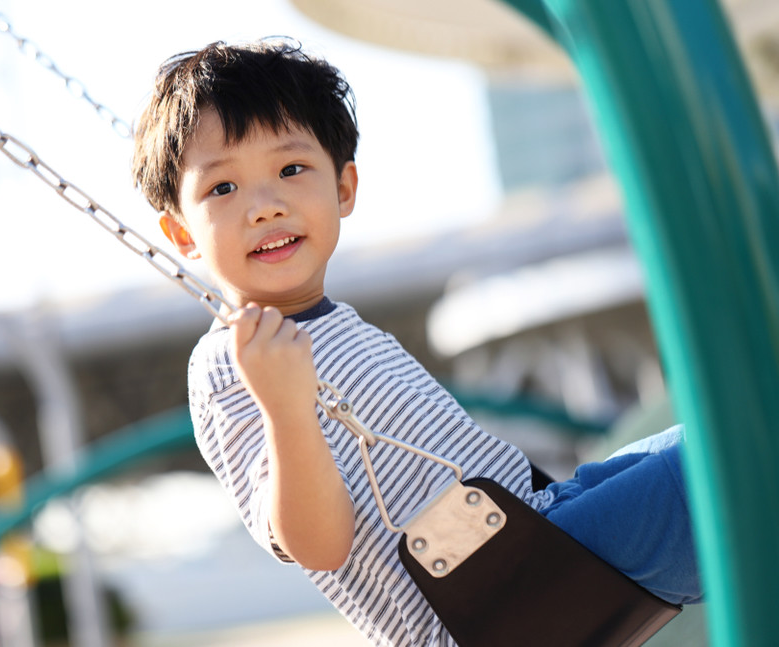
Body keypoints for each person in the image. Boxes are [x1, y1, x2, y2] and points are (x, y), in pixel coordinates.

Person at [131, 38, 701, 646]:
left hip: (534, 533)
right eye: (222, 189)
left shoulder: (342, 324)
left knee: (711, 440)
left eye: (291, 170)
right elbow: (318, 547)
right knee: (718, 471)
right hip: (483, 602)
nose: (265, 207)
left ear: (344, 188)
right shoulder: (229, 363)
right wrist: (285, 410)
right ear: (181, 233)